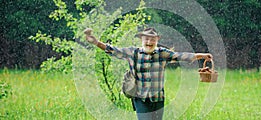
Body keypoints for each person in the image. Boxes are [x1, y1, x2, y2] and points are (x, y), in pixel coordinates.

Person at [84, 27, 212, 120]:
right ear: (141, 39)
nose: (149, 42)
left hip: (158, 99)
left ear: (157, 40)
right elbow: (112, 50)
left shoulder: (162, 53)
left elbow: (182, 56)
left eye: (152, 40)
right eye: (146, 39)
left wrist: (201, 55)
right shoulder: (132, 53)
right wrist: (95, 41)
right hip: (141, 98)